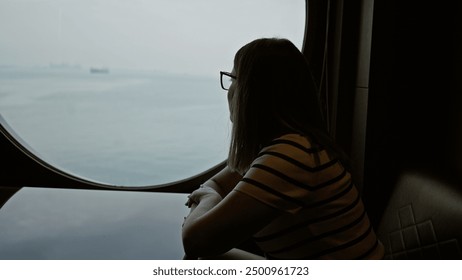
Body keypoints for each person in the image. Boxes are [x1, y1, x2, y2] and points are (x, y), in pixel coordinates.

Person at [182, 38, 384, 260]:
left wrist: (207, 198)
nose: (229, 91)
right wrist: (209, 196)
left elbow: (196, 240)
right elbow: (218, 183)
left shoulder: (289, 157)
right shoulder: (290, 147)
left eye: (233, 79)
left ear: (252, 94)